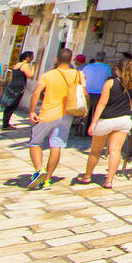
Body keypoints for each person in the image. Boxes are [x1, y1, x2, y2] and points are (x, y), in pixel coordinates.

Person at [27, 49, 84, 190]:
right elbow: (84, 93)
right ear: (71, 60)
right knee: (56, 146)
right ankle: (47, 179)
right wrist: (84, 109)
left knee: (35, 142)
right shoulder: (77, 74)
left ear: (56, 60)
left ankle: (39, 170)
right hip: (66, 115)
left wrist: (31, 111)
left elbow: (36, 93)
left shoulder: (49, 75)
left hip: (47, 113)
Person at [77, 57, 132, 189]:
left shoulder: (110, 83)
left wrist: (93, 122)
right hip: (124, 119)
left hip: (107, 119)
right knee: (115, 151)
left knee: (95, 151)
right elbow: (130, 102)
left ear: (119, 71)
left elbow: (102, 103)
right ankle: (109, 180)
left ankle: (87, 176)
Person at [0, 51, 36, 130]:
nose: (32, 59)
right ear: (27, 57)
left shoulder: (17, 65)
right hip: (18, 87)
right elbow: (30, 76)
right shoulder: (24, 65)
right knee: (13, 106)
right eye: (31, 57)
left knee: (9, 105)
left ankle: (5, 123)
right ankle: (6, 125)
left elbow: (11, 77)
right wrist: (33, 68)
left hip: (12, 85)